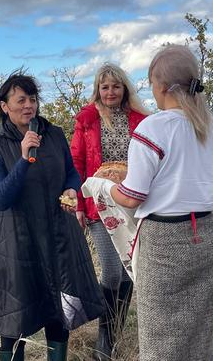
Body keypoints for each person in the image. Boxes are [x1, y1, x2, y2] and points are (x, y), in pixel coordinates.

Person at [110, 45, 213, 361]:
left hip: (164, 242)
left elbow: (132, 196)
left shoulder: (153, 128)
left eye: (151, 84)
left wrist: (107, 189)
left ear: (161, 86)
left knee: (160, 339)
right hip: (205, 236)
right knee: (199, 336)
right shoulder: (211, 129)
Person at [0, 70, 104, 361]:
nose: (29, 106)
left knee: (59, 310)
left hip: (59, 234)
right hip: (19, 241)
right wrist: (24, 159)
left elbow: (71, 172)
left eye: (32, 99)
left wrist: (72, 189)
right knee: (16, 316)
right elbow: (0, 198)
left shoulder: (54, 134)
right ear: (5, 106)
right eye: (21, 100)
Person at [70, 63, 149, 360]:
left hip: (131, 203)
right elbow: (76, 162)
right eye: (105, 87)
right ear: (98, 90)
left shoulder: (140, 120)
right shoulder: (87, 120)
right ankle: (104, 340)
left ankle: (114, 333)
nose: (111, 92)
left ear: (124, 89)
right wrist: (79, 203)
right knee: (112, 270)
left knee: (130, 267)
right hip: (98, 204)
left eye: (116, 86)